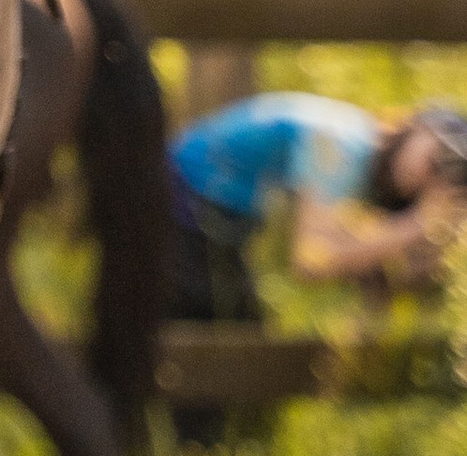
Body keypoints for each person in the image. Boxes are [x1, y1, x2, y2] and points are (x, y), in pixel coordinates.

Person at [167, 89, 467, 326]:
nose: (430, 174)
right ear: (421, 126)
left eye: (446, 175)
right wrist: (418, 224)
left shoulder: (360, 153)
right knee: (224, 339)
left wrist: (432, 242)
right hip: (184, 195)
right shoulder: (341, 144)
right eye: (436, 155)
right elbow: (312, 261)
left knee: (234, 342)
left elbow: (354, 251)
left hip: (209, 211)